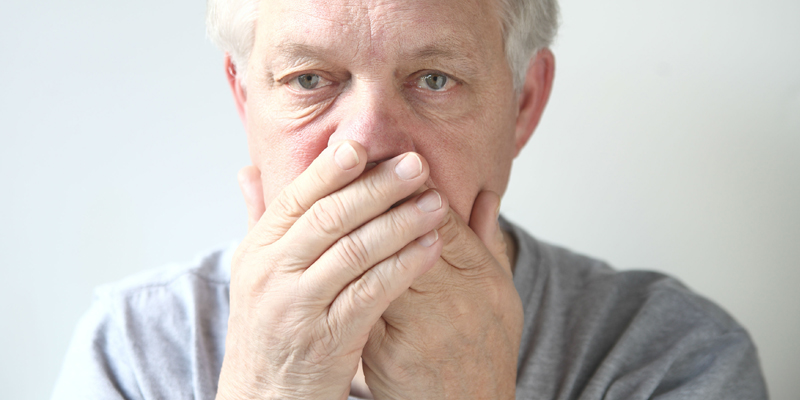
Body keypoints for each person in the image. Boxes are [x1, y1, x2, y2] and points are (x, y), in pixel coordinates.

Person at [52, 0, 769, 398]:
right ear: (245, 102)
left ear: (523, 103)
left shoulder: (669, 357)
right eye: (310, 80)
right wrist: (271, 389)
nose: (363, 146)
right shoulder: (133, 349)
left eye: (433, 79)